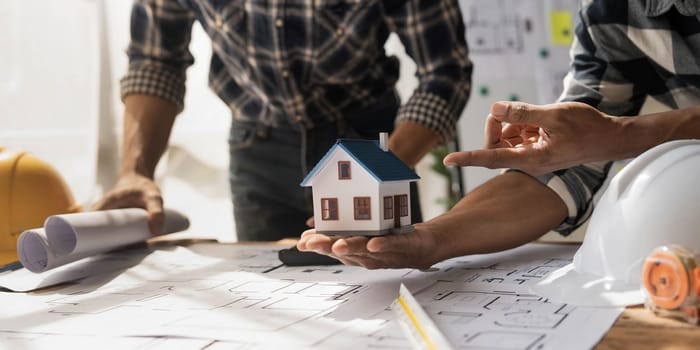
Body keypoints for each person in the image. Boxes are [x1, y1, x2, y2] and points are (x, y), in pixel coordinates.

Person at [297, 0, 700, 269]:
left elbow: (604, 139)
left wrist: (622, 135)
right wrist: (432, 239)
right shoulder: (608, 14)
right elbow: (562, 168)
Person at [93, 1, 473, 241]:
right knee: (273, 296)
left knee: (384, 285)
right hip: (257, 148)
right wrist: (135, 169)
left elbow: (445, 71)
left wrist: (384, 170)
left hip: (368, 145)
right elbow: (155, 61)